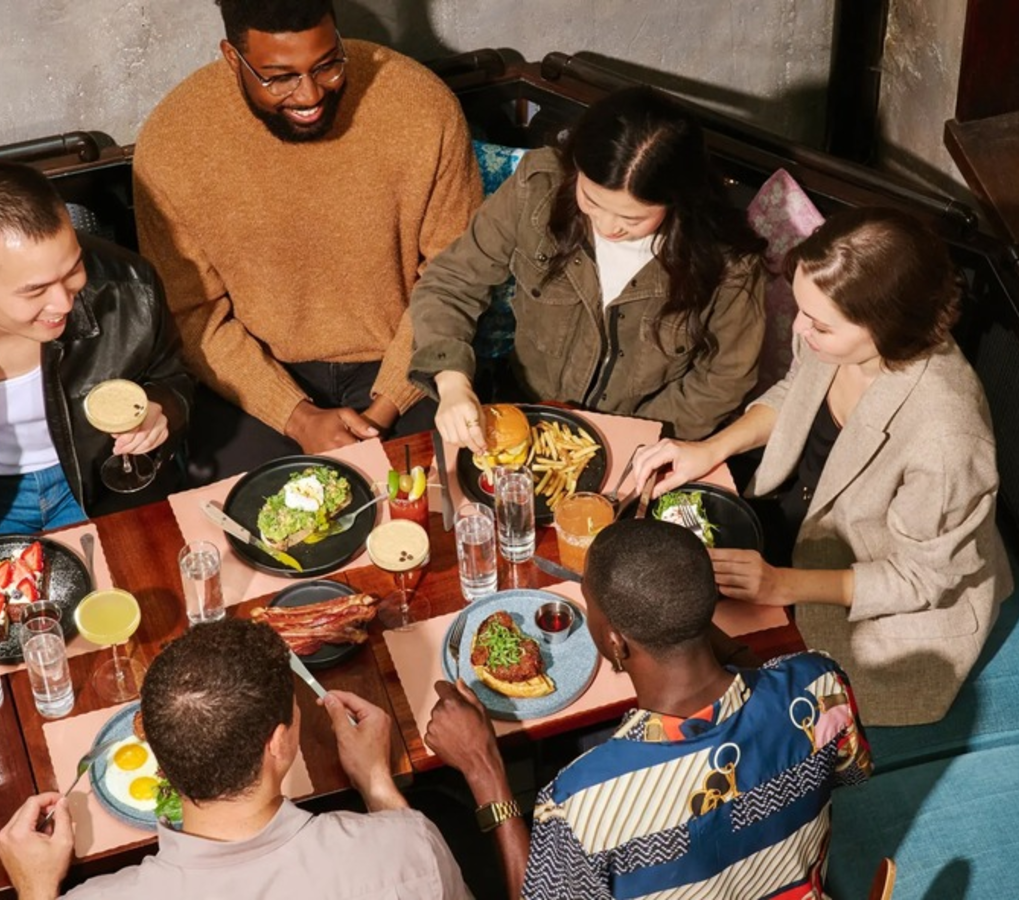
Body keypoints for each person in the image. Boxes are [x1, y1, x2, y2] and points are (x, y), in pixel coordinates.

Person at [632, 207, 1014, 726]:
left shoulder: (947, 436)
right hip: (799, 523)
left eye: (819, 324)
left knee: (720, 705)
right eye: (802, 310)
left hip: (887, 608)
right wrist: (709, 449)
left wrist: (782, 586)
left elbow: (920, 579)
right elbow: (796, 392)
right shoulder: (830, 331)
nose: (800, 328)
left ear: (885, 327)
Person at [425, 519, 870, 899]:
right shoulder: (822, 684)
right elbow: (851, 773)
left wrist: (484, 769)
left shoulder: (580, 806)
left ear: (614, 642)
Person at [133, 0, 481, 478]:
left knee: (449, 497)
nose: (310, 93)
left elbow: (455, 272)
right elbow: (191, 313)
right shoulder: (174, 139)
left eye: (327, 65)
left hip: (406, 358)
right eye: (280, 78)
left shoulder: (420, 104)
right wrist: (296, 416)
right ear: (233, 58)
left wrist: (383, 410)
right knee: (250, 515)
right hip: (256, 376)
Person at [0, 617, 469, 899]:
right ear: (278, 743)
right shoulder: (410, 847)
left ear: (160, 757)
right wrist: (377, 783)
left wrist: (35, 888)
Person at [409, 86, 766, 450]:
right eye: (592, 200)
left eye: (632, 218)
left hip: (646, 441)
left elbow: (723, 379)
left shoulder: (729, 265)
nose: (607, 226)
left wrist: (631, 440)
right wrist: (452, 381)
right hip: (525, 416)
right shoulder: (538, 189)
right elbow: (452, 282)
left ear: (679, 202)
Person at [0, 163, 191, 532]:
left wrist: (161, 409)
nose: (64, 303)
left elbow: (174, 377)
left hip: (95, 489)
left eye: (73, 270)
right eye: (36, 291)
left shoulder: (130, 286)